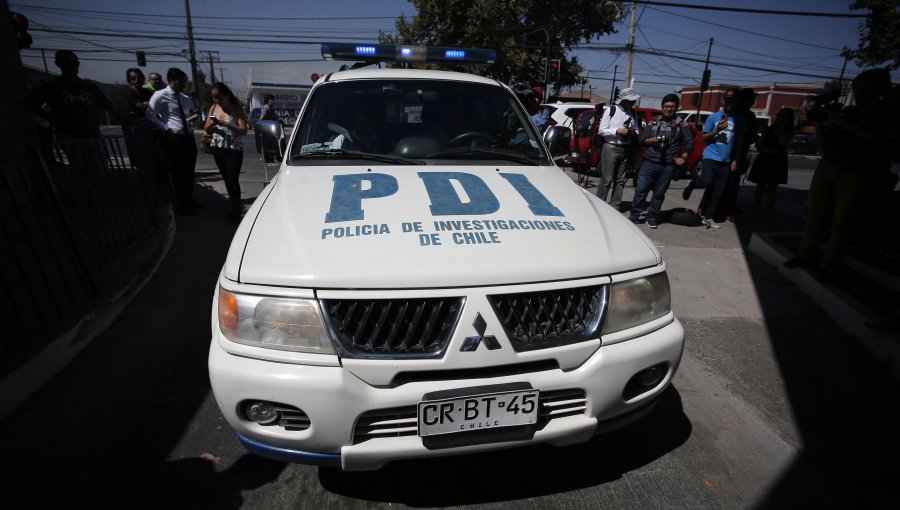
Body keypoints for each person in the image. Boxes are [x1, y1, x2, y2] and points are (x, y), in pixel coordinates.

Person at [783, 68, 893, 280]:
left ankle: (828, 264)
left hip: (855, 171)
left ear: (879, 90)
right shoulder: (848, 112)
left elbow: (872, 136)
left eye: (866, 90)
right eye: (857, 90)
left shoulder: (882, 114)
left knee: (841, 221)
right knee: (815, 215)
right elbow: (823, 148)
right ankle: (805, 254)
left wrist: (837, 118)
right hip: (829, 166)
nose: (860, 94)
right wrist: (821, 124)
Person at [682, 88, 747, 228]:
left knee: (719, 191)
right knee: (706, 181)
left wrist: (737, 159)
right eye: (728, 100)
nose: (730, 103)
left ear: (736, 103)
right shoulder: (713, 117)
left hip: (726, 159)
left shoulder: (739, 119)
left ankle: (709, 216)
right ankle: (692, 184)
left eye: (733, 101)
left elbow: (741, 140)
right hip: (711, 155)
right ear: (724, 100)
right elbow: (703, 137)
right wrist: (716, 131)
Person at [629, 93, 694, 228]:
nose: (669, 109)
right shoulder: (653, 121)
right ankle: (634, 215)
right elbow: (641, 141)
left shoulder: (682, 124)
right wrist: (653, 140)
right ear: (662, 107)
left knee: (659, 193)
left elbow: (689, 142)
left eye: (672, 107)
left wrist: (684, 157)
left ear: (676, 108)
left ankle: (652, 217)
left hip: (668, 165)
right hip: (648, 162)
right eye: (666, 106)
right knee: (641, 190)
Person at [26, 50, 120, 140]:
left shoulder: (90, 87)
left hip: (93, 136)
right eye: (66, 63)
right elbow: (32, 104)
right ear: (58, 64)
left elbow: (111, 108)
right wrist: (51, 118)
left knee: (98, 156)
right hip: (69, 137)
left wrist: (132, 122)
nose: (71, 66)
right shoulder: (52, 87)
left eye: (74, 63)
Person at [145, 67, 200, 214]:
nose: (183, 84)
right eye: (180, 81)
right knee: (178, 173)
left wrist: (194, 117)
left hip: (187, 137)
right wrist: (165, 129)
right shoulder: (160, 95)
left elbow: (190, 114)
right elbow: (150, 115)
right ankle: (182, 205)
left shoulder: (185, 98)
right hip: (173, 139)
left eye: (184, 81)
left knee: (189, 172)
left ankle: (189, 200)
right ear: (171, 80)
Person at [204, 82, 248, 222]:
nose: (217, 101)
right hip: (218, 148)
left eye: (219, 98)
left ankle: (236, 209)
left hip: (233, 149)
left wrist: (227, 124)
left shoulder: (236, 109)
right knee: (226, 179)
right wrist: (212, 125)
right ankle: (233, 205)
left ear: (227, 96)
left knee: (232, 179)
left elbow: (244, 130)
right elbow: (206, 127)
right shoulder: (213, 108)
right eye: (214, 98)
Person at [596, 87, 641, 211]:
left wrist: (632, 132)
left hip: (625, 148)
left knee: (620, 180)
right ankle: (600, 206)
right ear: (624, 99)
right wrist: (617, 131)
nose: (633, 103)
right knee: (607, 179)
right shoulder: (611, 110)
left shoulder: (633, 113)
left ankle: (615, 206)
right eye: (631, 100)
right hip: (610, 147)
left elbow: (637, 129)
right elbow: (602, 130)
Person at [747, 108, 794, 219]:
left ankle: (769, 212)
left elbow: (783, 143)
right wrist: (765, 149)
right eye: (780, 116)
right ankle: (755, 210)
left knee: (772, 188)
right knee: (760, 186)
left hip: (777, 160)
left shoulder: (789, 131)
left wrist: (782, 129)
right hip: (765, 158)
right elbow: (758, 144)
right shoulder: (768, 129)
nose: (781, 118)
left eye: (784, 116)